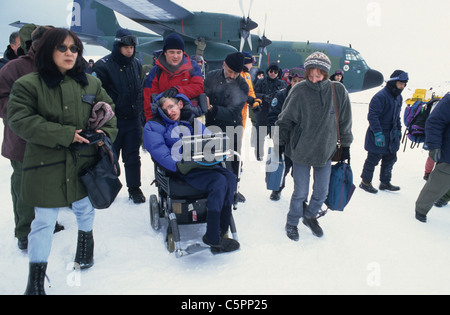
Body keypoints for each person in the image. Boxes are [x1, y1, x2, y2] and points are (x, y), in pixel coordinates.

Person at [7, 28, 117, 295]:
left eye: (74, 48)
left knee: (84, 207)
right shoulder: (28, 84)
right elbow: (20, 120)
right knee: (43, 220)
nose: (69, 53)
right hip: (46, 163)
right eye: (62, 48)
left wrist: (103, 132)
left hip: (84, 162)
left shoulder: (91, 84)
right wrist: (65, 134)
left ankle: (85, 246)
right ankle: (35, 282)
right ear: (48, 51)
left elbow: (110, 115)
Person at [143, 94, 240, 253]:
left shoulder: (192, 123)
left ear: (179, 104)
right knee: (219, 181)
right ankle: (212, 237)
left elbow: (211, 139)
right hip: (180, 169)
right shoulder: (154, 126)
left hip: (202, 164)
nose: (169, 112)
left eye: (171, 106)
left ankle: (221, 228)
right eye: (165, 109)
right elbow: (159, 153)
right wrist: (180, 164)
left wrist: (221, 150)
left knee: (229, 178)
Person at [274, 52, 353, 241]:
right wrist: (279, 145)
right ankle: (292, 222)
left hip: (325, 151)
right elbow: (284, 120)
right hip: (301, 150)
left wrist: (347, 145)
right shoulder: (299, 90)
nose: (314, 79)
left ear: (326, 73)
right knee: (300, 192)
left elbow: (345, 121)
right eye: (310, 75)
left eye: (318, 75)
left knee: (321, 192)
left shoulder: (338, 91)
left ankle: (309, 216)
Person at [0, 25, 56, 251]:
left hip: (51, 139)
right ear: (35, 44)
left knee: (48, 184)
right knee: (24, 185)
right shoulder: (15, 67)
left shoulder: (58, 67)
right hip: (23, 140)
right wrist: (23, 117)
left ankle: (47, 222)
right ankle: (24, 230)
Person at [93, 28, 145, 204]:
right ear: (117, 46)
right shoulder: (103, 66)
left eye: (132, 47)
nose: (129, 50)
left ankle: (134, 188)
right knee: (108, 156)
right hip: (112, 122)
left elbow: (140, 90)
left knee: (133, 156)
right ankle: (107, 188)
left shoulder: (136, 64)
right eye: (125, 46)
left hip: (133, 119)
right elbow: (95, 95)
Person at [204, 52, 249, 202]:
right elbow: (204, 96)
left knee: (233, 160)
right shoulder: (211, 77)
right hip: (212, 125)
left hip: (232, 126)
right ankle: (212, 189)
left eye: (236, 73)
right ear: (224, 65)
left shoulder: (242, 84)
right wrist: (205, 103)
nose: (232, 76)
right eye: (229, 71)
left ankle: (233, 189)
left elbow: (234, 111)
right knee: (211, 158)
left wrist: (212, 108)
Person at [360, 70, 408, 194]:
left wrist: (398, 130)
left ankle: (385, 182)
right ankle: (365, 182)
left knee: (390, 158)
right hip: (379, 133)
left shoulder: (398, 97)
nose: (402, 87)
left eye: (404, 84)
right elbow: (373, 116)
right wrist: (377, 133)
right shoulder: (380, 96)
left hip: (391, 135)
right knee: (373, 159)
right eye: (400, 83)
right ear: (393, 82)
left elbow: (396, 116)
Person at [143, 33, 204, 121]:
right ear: (165, 53)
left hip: (189, 117)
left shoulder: (193, 66)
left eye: (179, 52)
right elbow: (149, 98)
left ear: (183, 52)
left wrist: (178, 90)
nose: (175, 56)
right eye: (171, 52)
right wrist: (151, 121)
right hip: (165, 118)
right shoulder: (156, 71)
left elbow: (199, 87)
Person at [267, 67, 306, 201]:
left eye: (300, 81)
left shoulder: (308, 97)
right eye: (294, 80)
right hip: (283, 137)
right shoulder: (281, 95)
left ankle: (301, 196)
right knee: (282, 166)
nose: (297, 84)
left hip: (301, 140)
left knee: (300, 171)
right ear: (290, 81)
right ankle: (277, 188)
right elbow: (273, 116)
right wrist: (276, 135)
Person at [415, 93, 450, 223]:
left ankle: (444, 198)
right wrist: (434, 146)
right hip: (448, 152)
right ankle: (421, 209)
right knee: (438, 182)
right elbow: (434, 122)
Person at [254, 62, 286, 160]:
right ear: (268, 71)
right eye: (271, 71)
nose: (273, 73)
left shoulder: (281, 83)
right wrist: (264, 96)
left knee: (276, 135)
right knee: (260, 135)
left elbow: (285, 96)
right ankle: (259, 154)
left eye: (275, 72)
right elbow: (254, 94)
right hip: (262, 111)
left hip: (275, 112)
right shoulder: (261, 82)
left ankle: (278, 154)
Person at [240, 51, 261, 130]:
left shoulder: (247, 75)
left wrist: (254, 102)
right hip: (235, 109)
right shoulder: (237, 74)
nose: (252, 66)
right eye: (251, 63)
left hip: (244, 109)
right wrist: (248, 99)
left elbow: (250, 91)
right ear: (245, 62)